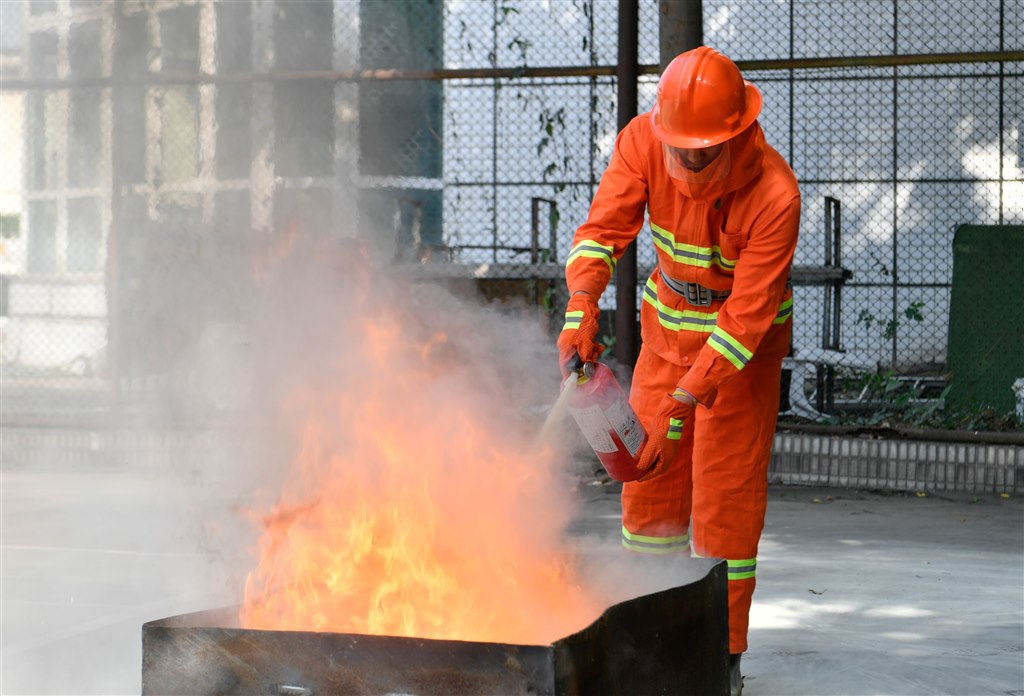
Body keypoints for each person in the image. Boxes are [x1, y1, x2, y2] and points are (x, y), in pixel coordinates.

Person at [557, 46, 800, 695]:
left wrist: (682, 405)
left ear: (736, 134)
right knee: (646, 503)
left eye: (703, 151)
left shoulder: (774, 194)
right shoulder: (642, 141)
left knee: (726, 513)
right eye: (680, 147)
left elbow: (746, 321)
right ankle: (649, 651)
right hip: (667, 338)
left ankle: (721, 663)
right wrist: (581, 302)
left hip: (739, 367)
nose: (688, 161)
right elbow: (601, 231)